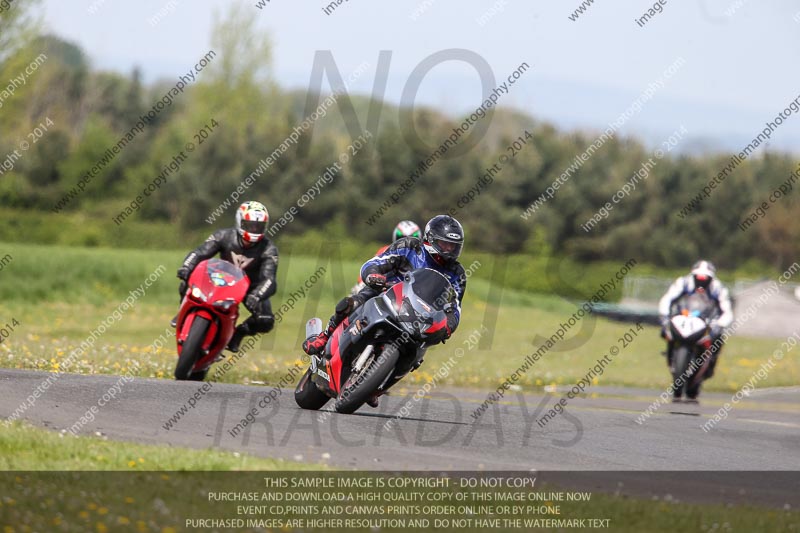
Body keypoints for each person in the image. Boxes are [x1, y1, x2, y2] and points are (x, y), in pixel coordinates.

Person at [303, 215, 467, 407]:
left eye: (453, 246)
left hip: (420, 317)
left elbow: (455, 307)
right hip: (385, 293)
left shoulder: (457, 273)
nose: (449, 250)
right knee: (352, 303)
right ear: (430, 239)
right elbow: (378, 261)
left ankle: (376, 387)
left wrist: (448, 325)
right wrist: (374, 274)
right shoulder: (409, 247)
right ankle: (325, 335)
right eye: (444, 244)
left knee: (417, 354)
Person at [174, 201, 278, 353]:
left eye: (258, 226)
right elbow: (199, 253)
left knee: (266, 320)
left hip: (249, 287)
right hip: (219, 278)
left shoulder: (269, 249)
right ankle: (182, 312)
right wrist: (186, 267)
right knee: (187, 282)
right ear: (240, 222)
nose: (254, 229)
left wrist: (256, 295)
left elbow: (269, 280)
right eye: (250, 225)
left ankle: (237, 334)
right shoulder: (222, 235)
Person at [658, 260, 733, 393]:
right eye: (698, 279)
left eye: (705, 280)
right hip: (684, 318)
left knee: (718, 339)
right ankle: (671, 356)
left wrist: (719, 325)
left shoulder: (718, 288)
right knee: (665, 332)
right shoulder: (683, 282)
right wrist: (664, 318)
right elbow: (667, 299)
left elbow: (727, 311)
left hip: (707, 321)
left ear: (711, 278)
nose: (701, 283)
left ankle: (709, 365)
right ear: (693, 276)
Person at [350, 220, 421, 295]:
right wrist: (362, 284)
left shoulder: (422, 257)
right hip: (384, 287)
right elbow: (372, 266)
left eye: (413, 238)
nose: (407, 242)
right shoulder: (386, 250)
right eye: (401, 238)